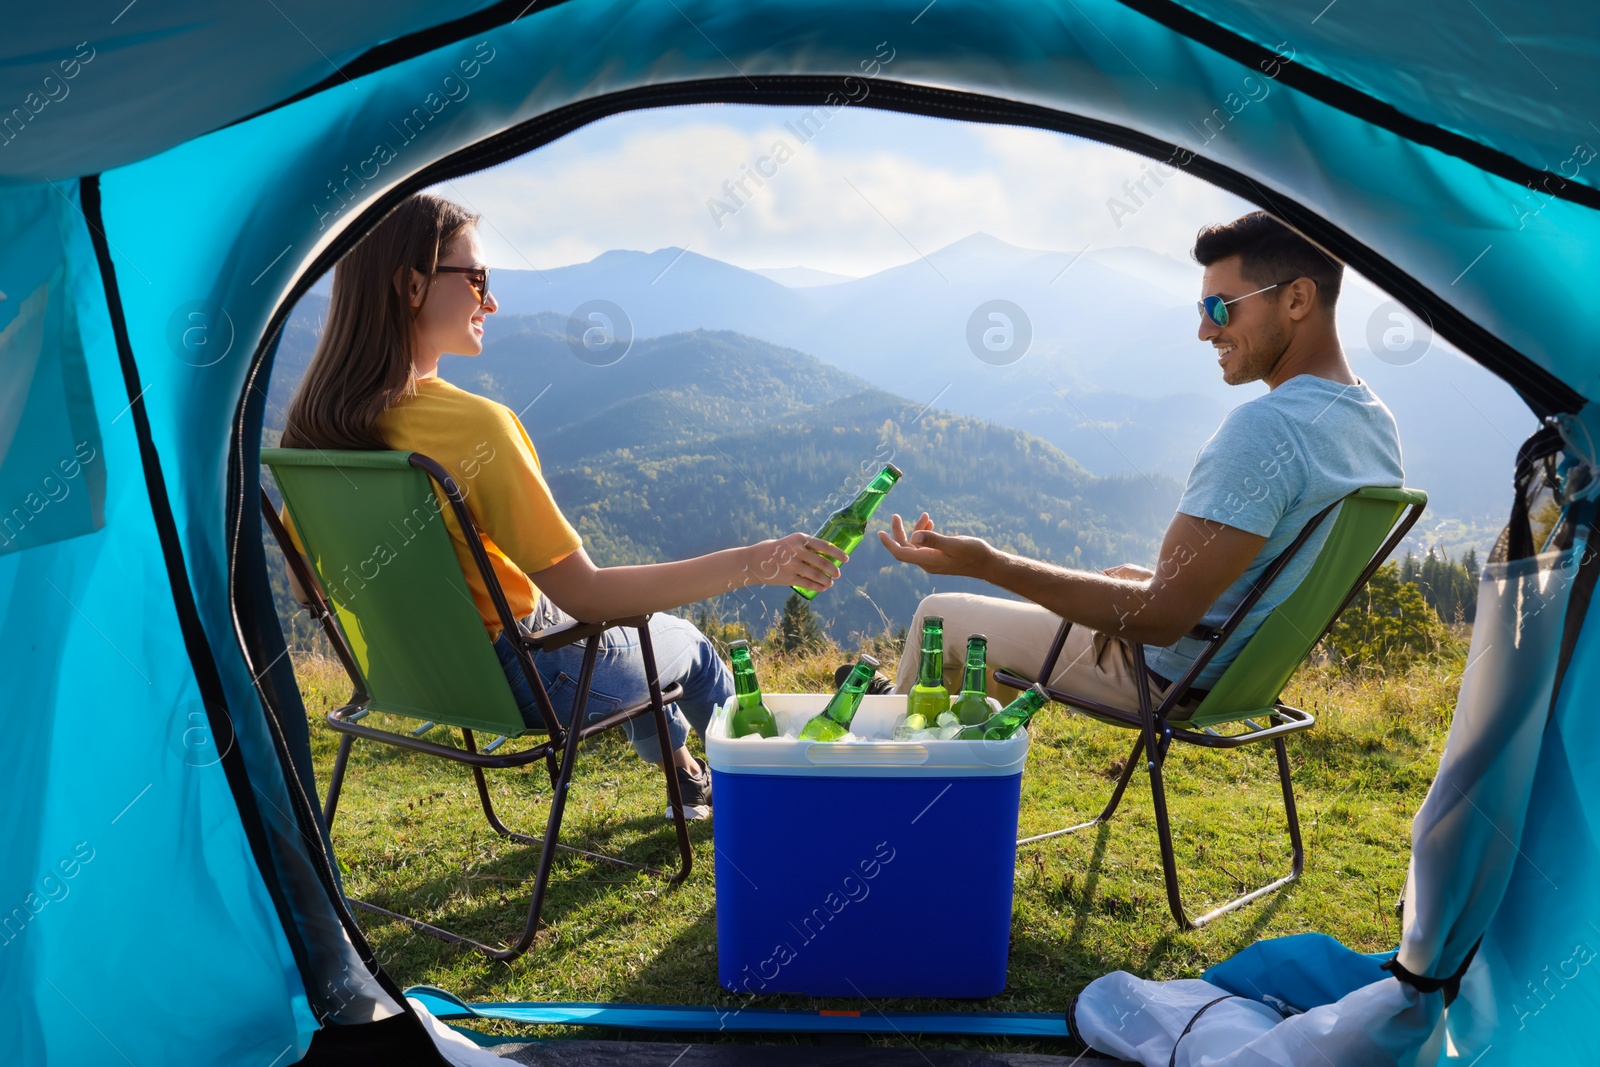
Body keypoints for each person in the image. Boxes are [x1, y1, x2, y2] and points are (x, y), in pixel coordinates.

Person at [279, 193, 845, 819]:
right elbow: (590, 597)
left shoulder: (313, 437)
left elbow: (305, 588)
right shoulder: (476, 429)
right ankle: (794, 800)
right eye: (477, 280)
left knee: (628, 637)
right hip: (526, 681)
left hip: (406, 675)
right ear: (412, 286)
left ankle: (685, 776)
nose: (491, 302)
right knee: (691, 649)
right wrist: (756, 559)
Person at [878, 211, 1404, 713]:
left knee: (939, 616)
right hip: (1244, 677)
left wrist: (985, 562)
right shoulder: (1373, 423)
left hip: (1162, 677)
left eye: (1221, 308)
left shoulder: (1267, 429)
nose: (1205, 330)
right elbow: (1279, 570)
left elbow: (1160, 619)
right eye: (1201, 310)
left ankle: (891, 766)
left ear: (1296, 299)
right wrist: (1167, 583)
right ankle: (973, 760)